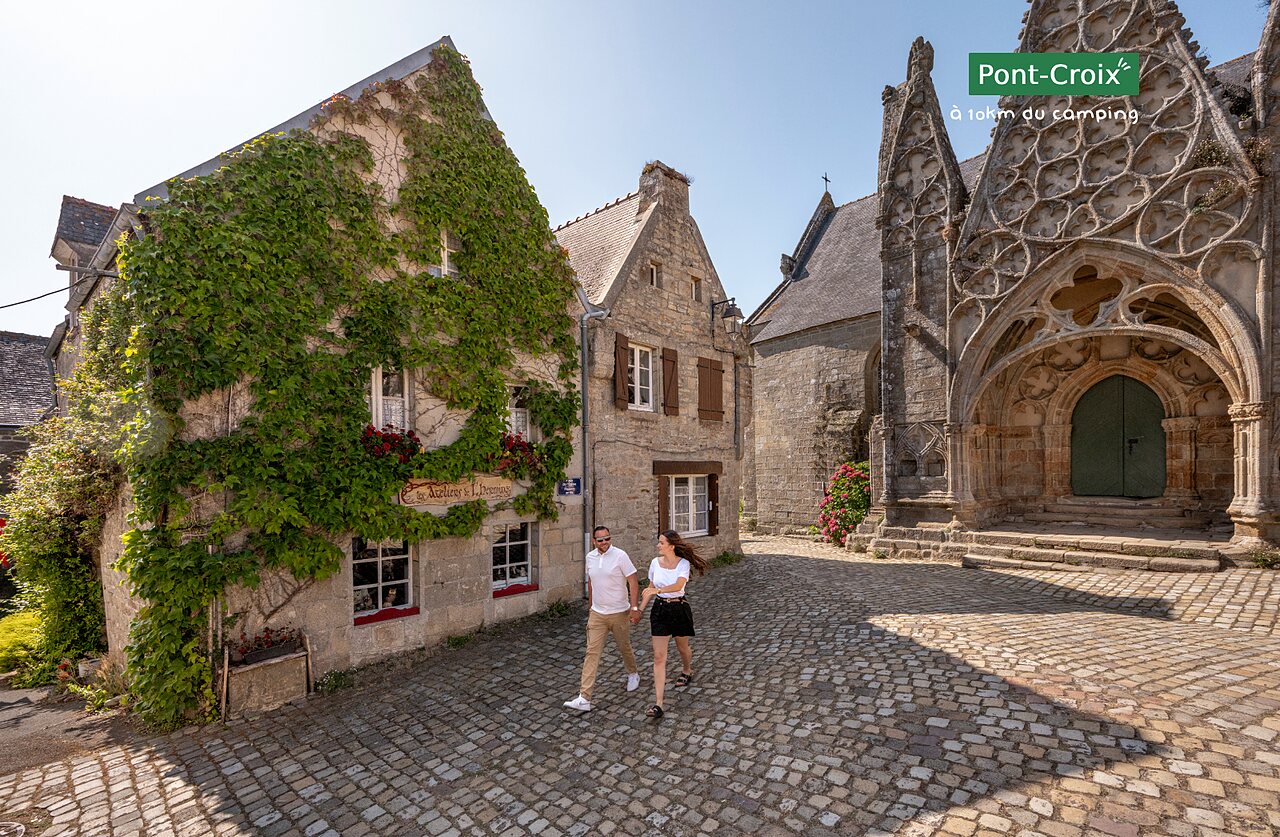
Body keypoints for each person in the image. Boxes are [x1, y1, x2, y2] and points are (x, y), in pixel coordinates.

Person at [563, 525, 642, 712]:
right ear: (594, 542)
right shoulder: (590, 558)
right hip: (598, 614)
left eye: (608, 538)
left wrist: (634, 607)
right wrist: (591, 607)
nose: (605, 542)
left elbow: (633, 581)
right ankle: (584, 698)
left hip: (619, 612)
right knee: (592, 653)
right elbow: (591, 582)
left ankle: (633, 673)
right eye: (601, 540)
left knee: (624, 647)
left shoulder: (620, 556)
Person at [639, 529, 709, 719]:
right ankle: (658, 703)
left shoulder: (683, 564)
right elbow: (650, 589)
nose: (658, 545)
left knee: (682, 647)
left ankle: (687, 669)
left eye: (661, 543)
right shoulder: (655, 563)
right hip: (660, 610)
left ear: (671, 546)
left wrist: (657, 590)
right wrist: (639, 610)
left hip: (679, 609)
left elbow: (679, 586)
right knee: (659, 656)